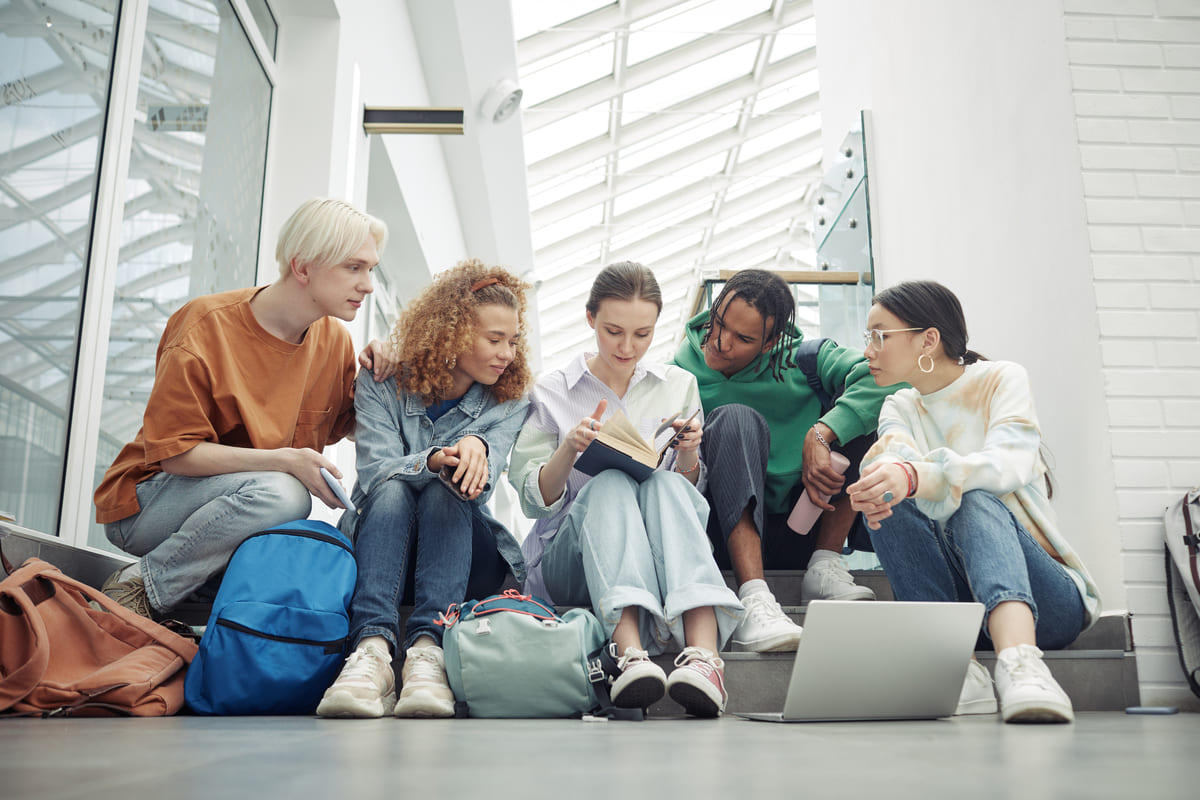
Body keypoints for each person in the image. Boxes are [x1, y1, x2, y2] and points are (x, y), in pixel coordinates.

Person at [94, 197, 394, 620]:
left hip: (232, 511)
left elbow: (356, 425)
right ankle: (141, 585)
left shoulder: (332, 342)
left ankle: (192, 600)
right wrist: (284, 461)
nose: (368, 285)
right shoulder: (206, 324)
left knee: (300, 528)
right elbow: (176, 456)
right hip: (147, 503)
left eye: (371, 270)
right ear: (303, 267)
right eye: (354, 267)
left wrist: (391, 376)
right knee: (285, 494)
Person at [845, 280, 1101, 724]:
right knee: (886, 503)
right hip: (963, 611)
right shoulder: (899, 406)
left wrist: (918, 475)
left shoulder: (1002, 378)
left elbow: (1008, 464)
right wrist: (884, 482)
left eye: (880, 335)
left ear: (928, 339)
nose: (869, 349)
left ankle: (1022, 665)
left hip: (1047, 601)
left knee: (974, 495)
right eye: (868, 337)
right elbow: (893, 460)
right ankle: (956, 668)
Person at [509, 262, 744, 718]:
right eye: (614, 330)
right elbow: (531, 500)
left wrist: (691, 452)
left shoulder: (678, 386)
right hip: (568, 562)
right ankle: (626, 652)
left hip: (655, 563)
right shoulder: (552, 392)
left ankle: (704, 657)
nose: (627, 346)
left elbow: (688, 496)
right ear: (590, 317)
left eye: (642, 334)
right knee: (611, 482)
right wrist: (570, 450)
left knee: (665, 486)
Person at [316, 261, 533, 719]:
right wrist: (431, 460)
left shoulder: (510, 401)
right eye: (494, 340)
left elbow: (483, 479)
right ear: (452, 336)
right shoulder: (382, 383)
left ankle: (428, 652)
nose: (507, 354)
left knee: (447, 488)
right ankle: (372, 653)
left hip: (462, 550)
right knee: (394, 489)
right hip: (383, 540)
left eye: (512, 341)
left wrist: (473, 447)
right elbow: (374, 474)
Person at [672, 269, 898, 652]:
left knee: (869, 411)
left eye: (743, 338)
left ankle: (825, 565)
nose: (722, 343)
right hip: (722, 535)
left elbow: (889, 379)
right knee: (735, 417)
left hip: (802, 525)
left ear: (770, 342)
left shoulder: (806, 360)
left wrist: (822, 432)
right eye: (720, 324)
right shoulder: (677, 373)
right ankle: (754, 598)